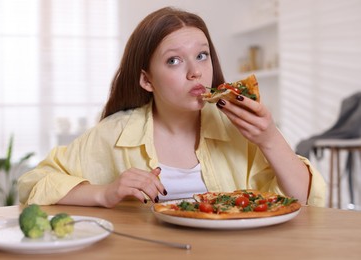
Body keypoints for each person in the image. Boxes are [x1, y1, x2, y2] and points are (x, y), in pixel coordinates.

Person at [18, 7, 326, 208]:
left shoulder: (238, 130)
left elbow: (307, 203)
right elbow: (33, 184)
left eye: (202, 55)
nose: (195, 72)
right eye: (174, 60)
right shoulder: (114, 134)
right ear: (147, 80)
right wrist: (105, 193)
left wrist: (270, 139)